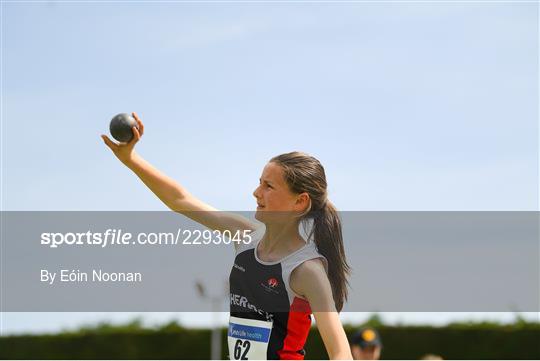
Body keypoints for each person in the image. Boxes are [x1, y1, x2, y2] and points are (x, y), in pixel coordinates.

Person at [101, 112, 353, 360]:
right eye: (259, 182)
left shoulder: (305, 270)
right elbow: (180, 200)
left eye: (269, 186)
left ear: (300, 202)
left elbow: (340, 352)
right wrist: (131, 159)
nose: (256, 192)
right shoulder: (246, 237)